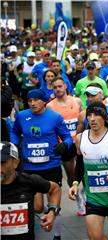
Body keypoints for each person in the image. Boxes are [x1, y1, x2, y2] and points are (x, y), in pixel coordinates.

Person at [10, 89, 72, 240]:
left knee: (54, 206)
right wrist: (14, 145)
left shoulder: (55, 117)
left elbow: (67, 137)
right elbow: (14, 131)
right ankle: (48, 213)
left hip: (51, 165)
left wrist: (64, 145)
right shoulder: (22, 116)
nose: (32, 103)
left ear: (43, 101)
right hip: (31, 168)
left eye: (36, 100)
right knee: (37, 207)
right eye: (30, 101)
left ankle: (57, 235)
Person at [68, 102, 108, 240]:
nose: (92, 118)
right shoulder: (81, 138)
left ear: (104, 117)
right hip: (94, 197)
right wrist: (75, 183)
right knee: (94, 236)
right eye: (89, 115)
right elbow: (80, 164)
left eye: (96, 115)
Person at [1, 141, 61, 240]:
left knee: (38, 207)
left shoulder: (29, 181)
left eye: (2, 162)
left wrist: (52, 212)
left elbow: (55, 189)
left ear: (15, 163)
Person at [46, 77, 85, 215]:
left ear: (65, 86)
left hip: (79, 141)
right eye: (55, 87)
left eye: (60, 86)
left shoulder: (77, 101)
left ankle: (88, 196)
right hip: (64, 144)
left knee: (84, 170)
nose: (58, 89)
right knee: (71, 173)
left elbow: (83, 118)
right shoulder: (50, 106)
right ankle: (77, 195)